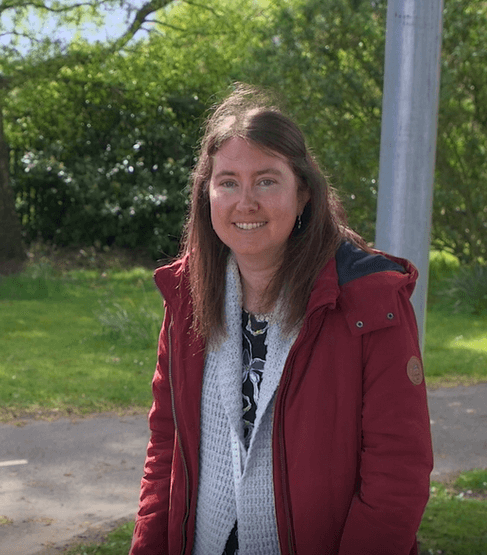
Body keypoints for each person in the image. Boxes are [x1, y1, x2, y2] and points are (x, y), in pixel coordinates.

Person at [130, 84, 433, 554]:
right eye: (228, 181)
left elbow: (397, 475)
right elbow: (165, 450)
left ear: (304, 192)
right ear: (206, 193)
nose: (245, 202)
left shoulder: (372, 302)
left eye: (267, 180)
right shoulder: (187, 297)